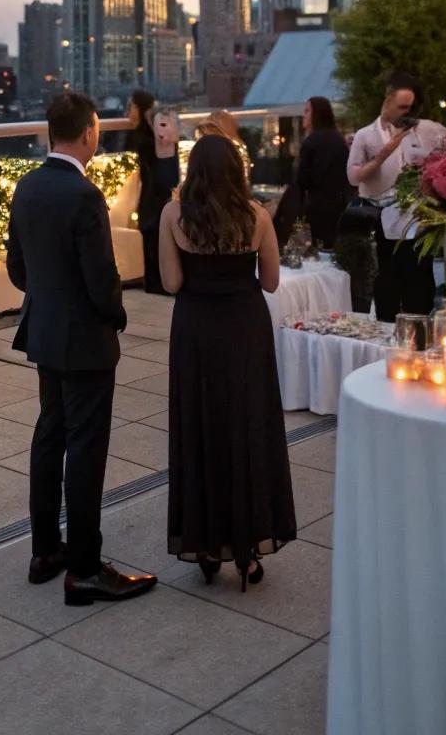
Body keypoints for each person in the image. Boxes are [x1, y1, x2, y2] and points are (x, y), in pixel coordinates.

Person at [6, 91, 157, 607]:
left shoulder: (26, 187)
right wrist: (116, 315)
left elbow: (18, 271)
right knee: (86, 448)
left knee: (50, 436)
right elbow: (102, 280)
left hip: (46, 333)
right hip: (86, 340)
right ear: (90, 131)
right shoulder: (84, 196)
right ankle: (86, 569)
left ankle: (46, 551)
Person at [159, 135, 296, 590]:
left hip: (197, 330)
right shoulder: (256, 216)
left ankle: (204, 543)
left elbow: (172, 282)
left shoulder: (174, 215)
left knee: (201, 428)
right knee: (247, 429)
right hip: (244, 330)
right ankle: (248, 546)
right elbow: (272, 282)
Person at [346, 74, 446, 321]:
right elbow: (353, 177)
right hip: (381, 218)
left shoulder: (425, 129)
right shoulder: (365, 135)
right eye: (402, 106)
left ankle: (421, 333)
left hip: (419, 219)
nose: (407, 112)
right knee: (387, 281)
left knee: (420, 280)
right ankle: (387, 334)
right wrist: (382, 155)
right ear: (387, 101)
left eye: (411, 107)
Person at [296, 96, 352, 249]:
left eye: (307, 111)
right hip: (340, 203)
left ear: (317, 114)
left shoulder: (312, 141)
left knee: (320, 248)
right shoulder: (338, 139)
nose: (304, 116)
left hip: (318, 205)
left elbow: (303, 179)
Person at [136, 108, 180, 294]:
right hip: (151, 208)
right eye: (158, 125)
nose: (161, 131)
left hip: (176, 208)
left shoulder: (183, 153)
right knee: (151, 232)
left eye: (165, 125)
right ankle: (154, 282)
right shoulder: (145, 151)